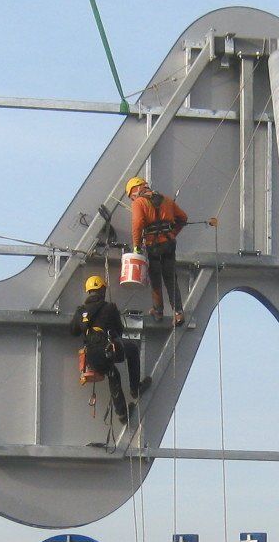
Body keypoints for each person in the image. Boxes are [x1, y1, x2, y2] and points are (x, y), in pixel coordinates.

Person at [69, 274, 146, 421]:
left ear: (89, 291)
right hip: (108, 350)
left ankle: (123, 413)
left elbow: (73, 331)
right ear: (102, 291)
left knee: (112, 374)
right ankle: (135, 389)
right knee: (132, 350)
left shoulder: (80, 311)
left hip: (92, 357)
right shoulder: (109, 307)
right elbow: (119, 329)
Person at [127, 176, 189, 323]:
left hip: (153, 246)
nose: (132, 199)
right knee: (170, 277)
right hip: (169, 243)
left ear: (135, 190)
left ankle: (158, 311)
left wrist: (136, 246)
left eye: (131, 196)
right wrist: (172, 233)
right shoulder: (166, 200)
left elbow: (137, 224)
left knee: (155, 278)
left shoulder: (139, 203)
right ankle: (178, 313)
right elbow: (183, 218)